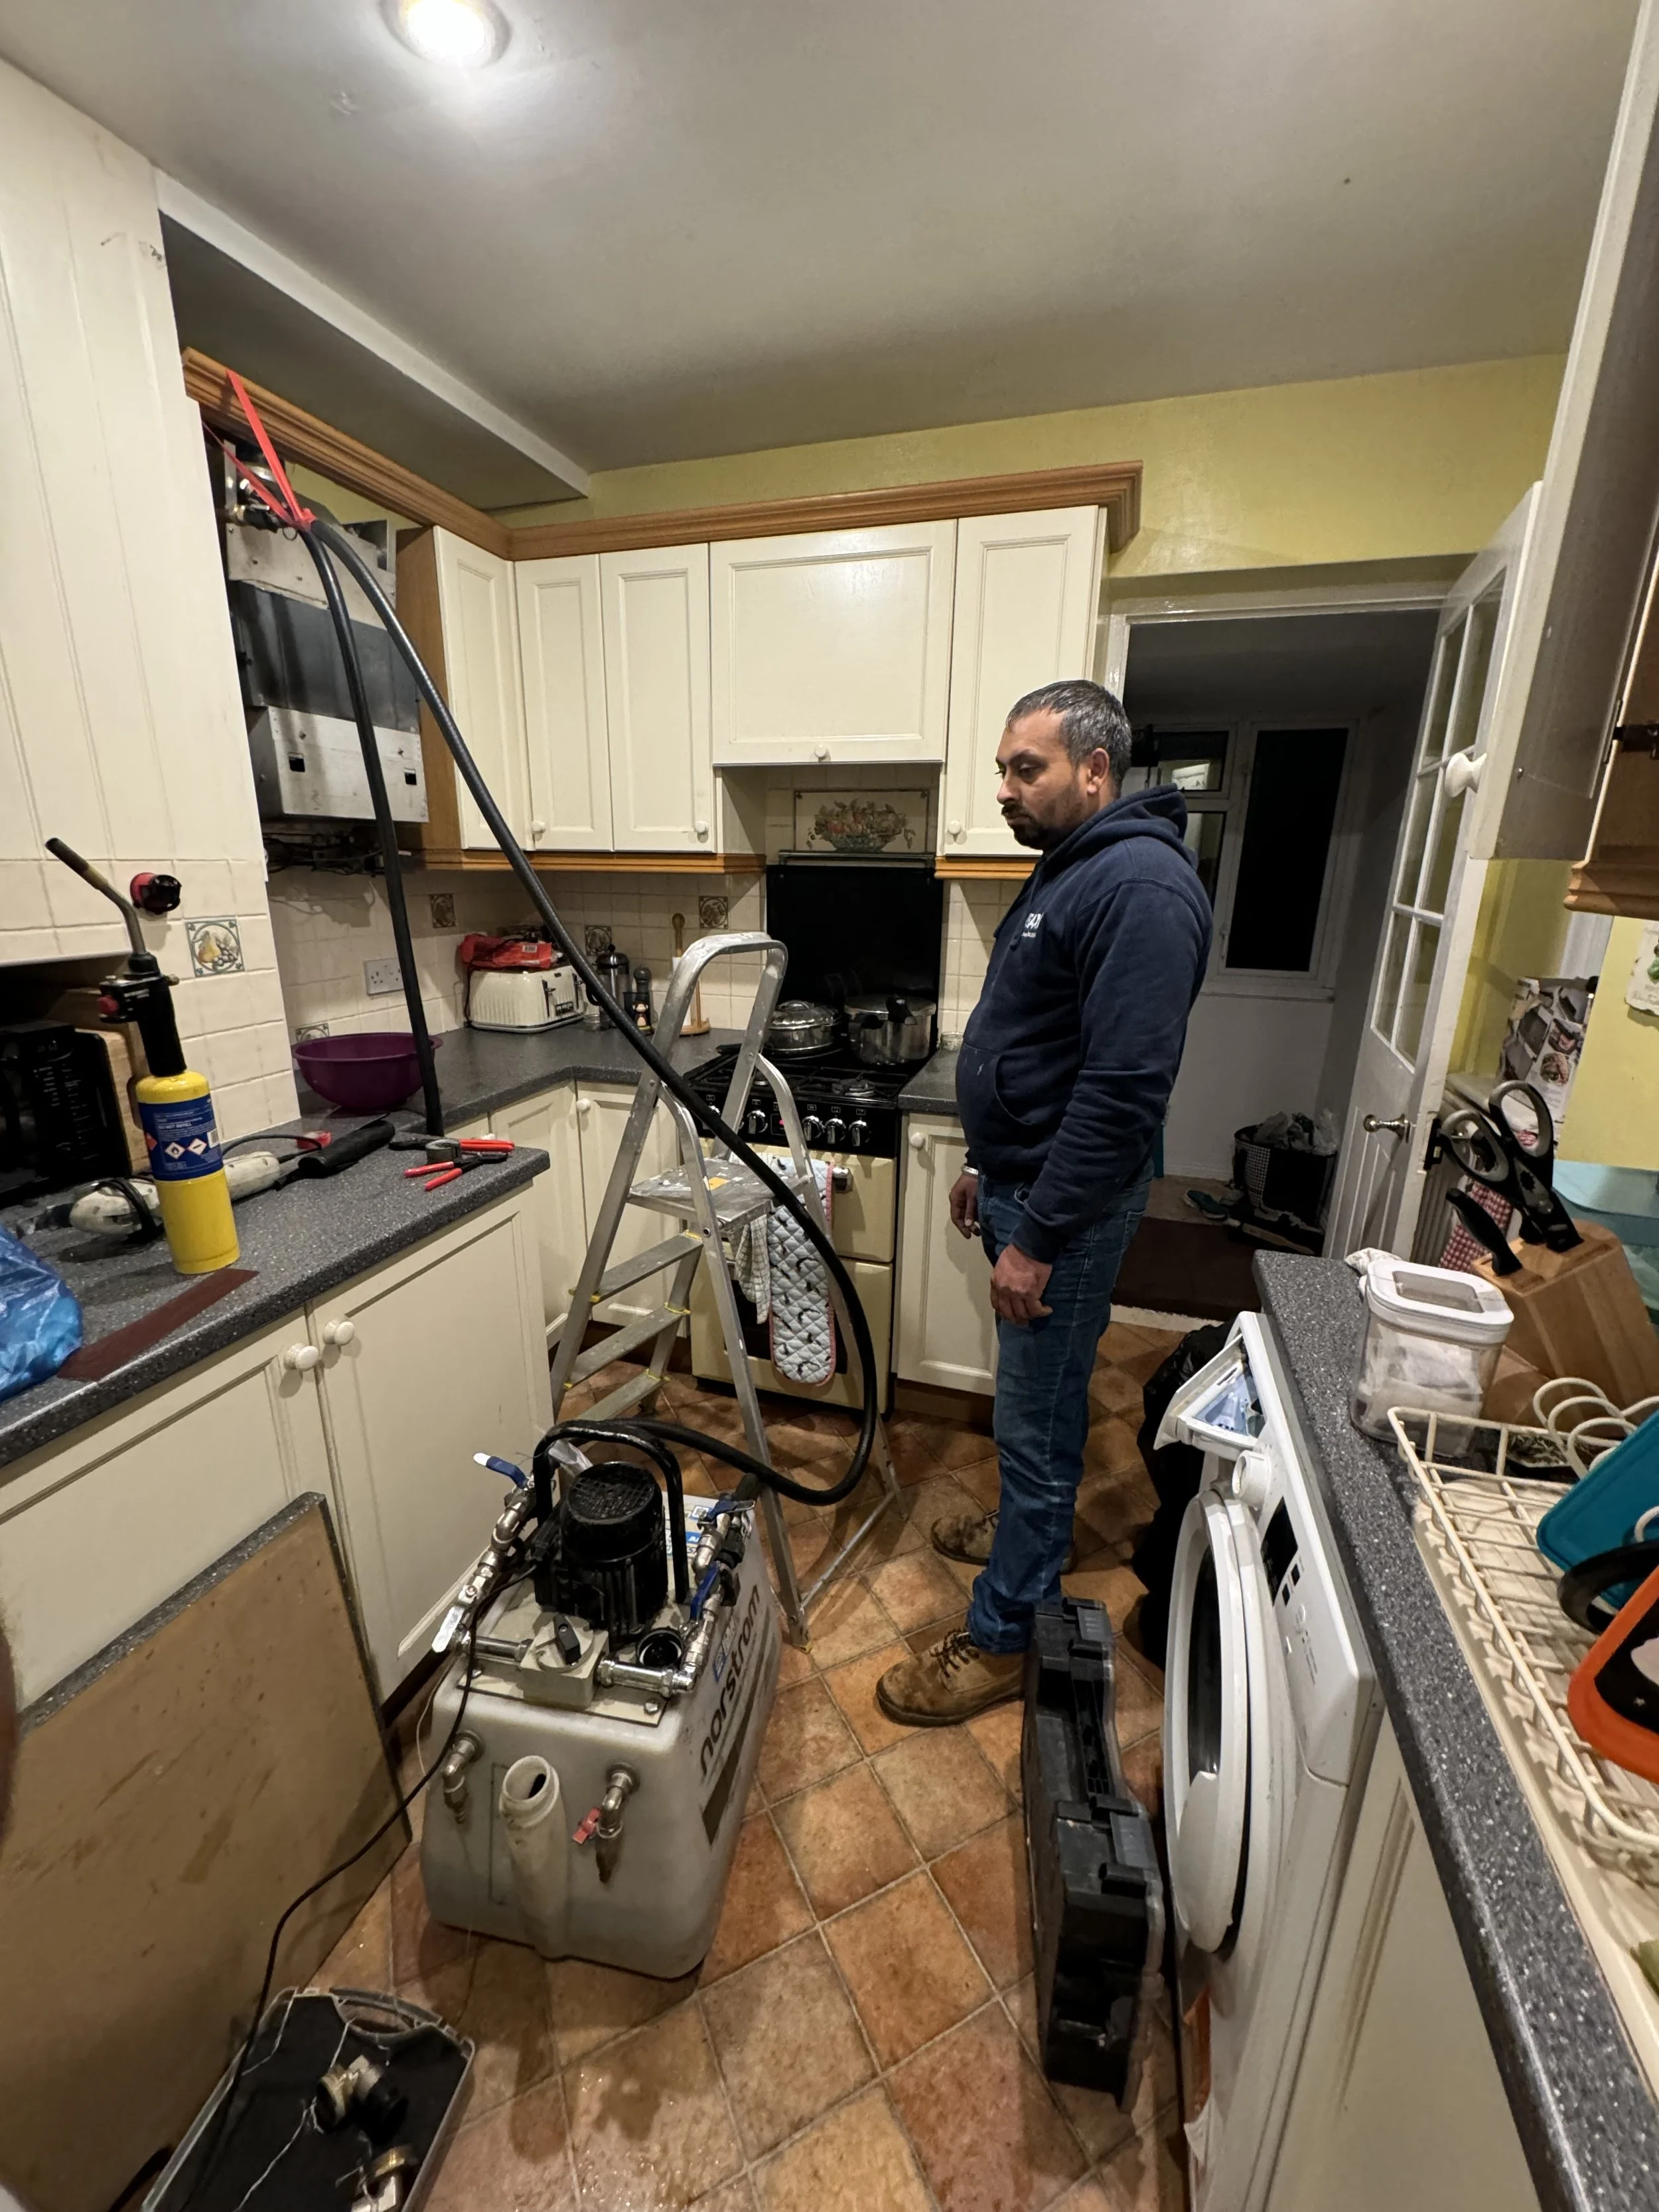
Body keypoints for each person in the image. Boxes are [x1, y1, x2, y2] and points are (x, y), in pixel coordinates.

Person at [877, 680, 1212, 1725]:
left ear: (1096, 771)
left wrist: (1040, 1238)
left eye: (1028, 769)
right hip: (1028, 1183)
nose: (1007, 789)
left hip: (1062, 1211)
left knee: (1032, 1416)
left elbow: (1121, 1092)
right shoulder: (1076, 869)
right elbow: (1046, 1045)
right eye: (1003, 769)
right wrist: (990, 1155)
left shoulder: (1139, 891)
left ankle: (1005, 1628)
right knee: (1047, 1397)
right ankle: (1040, 1534)